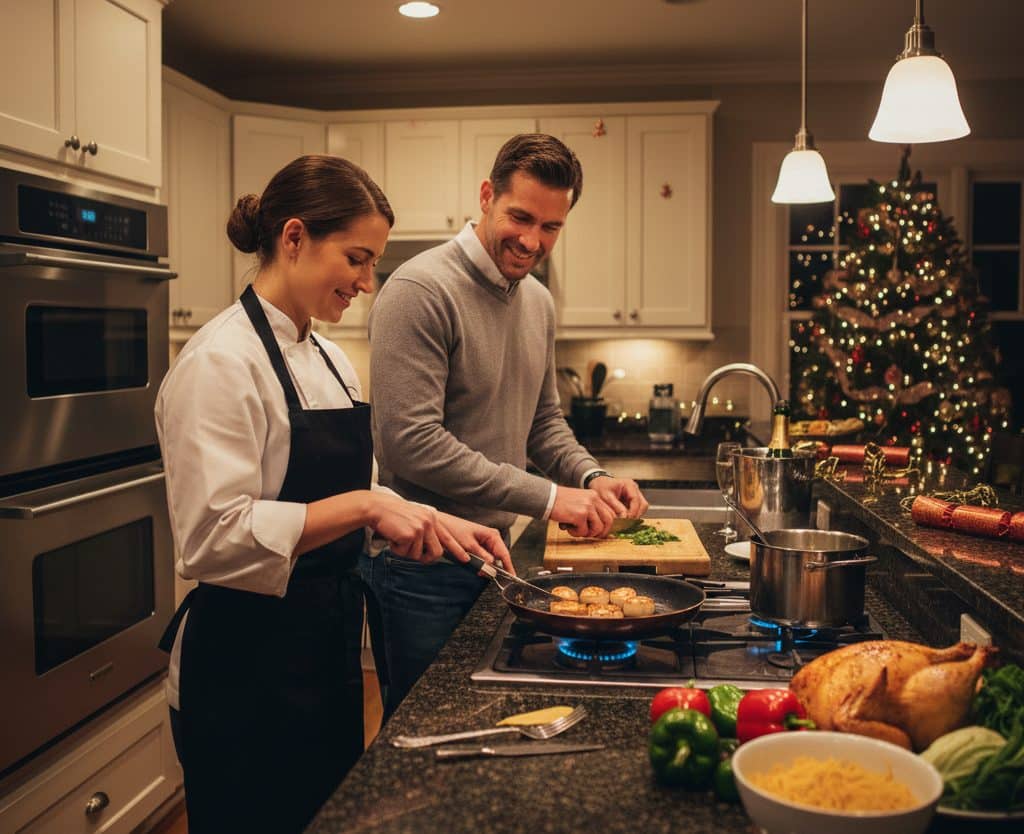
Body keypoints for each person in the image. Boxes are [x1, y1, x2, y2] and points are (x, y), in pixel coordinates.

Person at [155, 155, 510, 834]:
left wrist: (434, 519)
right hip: (241, 674)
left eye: (372, 263)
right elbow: (210, 539)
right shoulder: (217, 364)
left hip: (324, 654)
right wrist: (368, 507)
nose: (367, 283)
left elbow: (352, 490)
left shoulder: (328, 358)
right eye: (356, 258)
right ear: (293, 239)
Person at [364, 134, 649, 715]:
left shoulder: (537, 301)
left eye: (551, 227)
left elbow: (543, 422)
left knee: (487, 715)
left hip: (496, 559)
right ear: (487, 196)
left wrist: (590, 478)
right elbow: (411, 443)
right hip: (420, 564)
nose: (531, 240)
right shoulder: (420, 290)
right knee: (424, 729)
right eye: (520, 217)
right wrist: (548, 498)